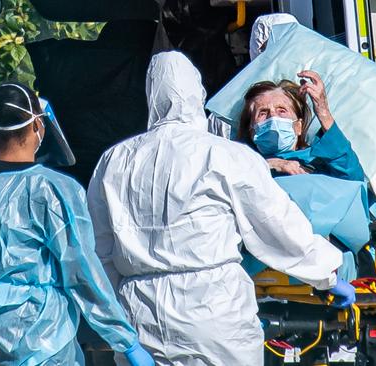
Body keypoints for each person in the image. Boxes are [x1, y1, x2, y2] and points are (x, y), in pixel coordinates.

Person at [87, 51, 356, 365]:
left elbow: (100, 250)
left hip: (140, 312)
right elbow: (276, 224)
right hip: (211, 308)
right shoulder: (226, 156)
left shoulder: (115, 160)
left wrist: (117, 328)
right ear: (198, 94)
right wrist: (326, 275)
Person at [0, 82, 154, 366]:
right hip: (40, 339)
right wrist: (125, 340)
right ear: (38, 124)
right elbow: (82, 273)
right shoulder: (53, 189)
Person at [238, 71, 365, 181]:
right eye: (263, 113)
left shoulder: (317, 160)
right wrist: (269, 164)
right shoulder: (240, 163)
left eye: (281, 110)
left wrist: (323, 112)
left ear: (298, 126)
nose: (273, 116)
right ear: (251, 131)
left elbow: (353, 180)